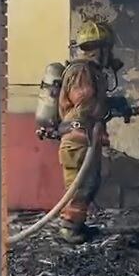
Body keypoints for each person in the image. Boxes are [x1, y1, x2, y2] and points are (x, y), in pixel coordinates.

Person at [57, 19, 120, 244]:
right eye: (108, 49)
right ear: (100, 49)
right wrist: (105, 108)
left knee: (89, 183)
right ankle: (69, 229)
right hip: (78, 140)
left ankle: (78, 226)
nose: (110, 54)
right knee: (79, 187)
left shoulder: (91, 71)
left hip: (85, 139)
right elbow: (84, 104)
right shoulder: (82, 71)